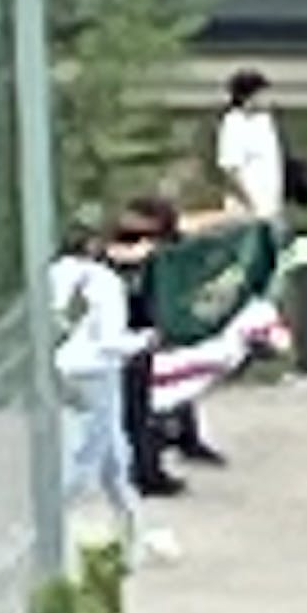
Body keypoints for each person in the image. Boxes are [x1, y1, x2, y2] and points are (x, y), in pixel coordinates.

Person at [50, 221, 156, 557]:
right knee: (88, 456)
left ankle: (132, 535)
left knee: (114, 452)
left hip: (59, 367)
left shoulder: (50, 276)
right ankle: (45, 527)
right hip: (96, 370)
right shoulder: (105, 283)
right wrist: (144, 341)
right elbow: (109, 341)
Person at [107, 198, 196, 495]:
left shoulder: (157, 255)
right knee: (136, 406)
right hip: (130, 334)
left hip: (137, 332)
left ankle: (146, 465)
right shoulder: (134, 257)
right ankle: (144, 470)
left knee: (141, 404)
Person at [217, 69, 285, 223]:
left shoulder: (264, 121)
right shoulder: (234, 125)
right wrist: (251, 205)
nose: (266, 99)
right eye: (261, 94)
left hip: (271, 206)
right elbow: (231, 170)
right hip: (247, 210)